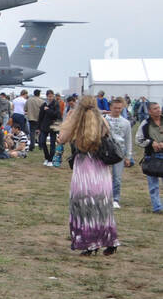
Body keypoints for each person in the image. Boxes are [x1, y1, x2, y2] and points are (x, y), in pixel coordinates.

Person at [61, 95, 120, 255]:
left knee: (83, 206)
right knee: (103, 206)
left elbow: (62, 138)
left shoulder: (76, 122)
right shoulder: (103, 121)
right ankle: (110, 240)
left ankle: (89, 243)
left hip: (84, 168)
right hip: (101, 169)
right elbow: (110, 138)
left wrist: (66, 120)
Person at [105, 97, 134, 210]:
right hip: (106, 151)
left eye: (120, 108)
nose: (117, 110)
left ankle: (115, 199)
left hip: (119, 152)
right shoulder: (104, 119)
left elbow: (128, 140)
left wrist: (128, 156)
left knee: (117, 177)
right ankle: (105, 196)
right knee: (105, 176)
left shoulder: (126, 123)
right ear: (111, 107)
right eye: (115, 108)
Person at [135, 101, 163, 215]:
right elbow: (138, 140)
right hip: (152, 157)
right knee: (153, 185)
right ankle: (157, 208)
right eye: (155, 109)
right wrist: (151, 143)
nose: (158, 110)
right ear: (150, 111)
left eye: (158, 108)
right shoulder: (145, 124)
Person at [38, 89, 63, 166]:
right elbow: (40, 116)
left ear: (53, 96)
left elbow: (57, 114)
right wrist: (38, 127)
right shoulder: (43, 105)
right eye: (49, 96)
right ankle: (47, 157)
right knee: (42, 142)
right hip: (44, 126)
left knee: (52, 143)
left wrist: (48, 110)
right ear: (46, 96)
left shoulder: (56, 104)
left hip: (53, 126)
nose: (50, 98)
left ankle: (50, 159)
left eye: (51, 96)